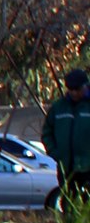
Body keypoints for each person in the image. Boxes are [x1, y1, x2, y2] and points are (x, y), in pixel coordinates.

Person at [42, 67, 90, 206]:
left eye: (77, 88)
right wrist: (55, 152)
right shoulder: (59, 108)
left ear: (85, 86)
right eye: (70, 89)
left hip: (88, 168)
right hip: (66, 168)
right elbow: (47, 132)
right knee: (69, 206)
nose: (74, 92)